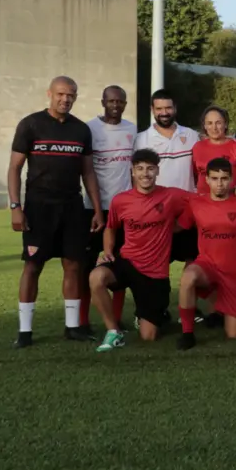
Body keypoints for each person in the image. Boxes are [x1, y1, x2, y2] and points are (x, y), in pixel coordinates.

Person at [8, 76, 104, 347]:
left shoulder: (81, 130)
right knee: (32, 266)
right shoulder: (30, 124)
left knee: (73, 265)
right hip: (38, 208)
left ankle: (72, 327)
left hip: (72, 207)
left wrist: (97, 209)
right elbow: (14, 168)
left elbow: (88, 172)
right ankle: (25, 332)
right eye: (61, 94)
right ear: (49, 94)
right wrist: (15, 207)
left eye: (71, 95)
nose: (65, 99)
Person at [88, 149, 189, 352]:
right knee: (96, 277)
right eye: (140, 168)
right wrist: (107, 251)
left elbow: (202, 201)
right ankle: (113, 331)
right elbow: (111, 227)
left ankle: (151, 315)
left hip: (155, 273)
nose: (145, 173)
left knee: (148, 336)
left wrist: (180, 225)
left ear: (157, 171)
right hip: (128, 261)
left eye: (150, 168)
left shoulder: (171, 195)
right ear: (132, 172)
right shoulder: (120, 200)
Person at [175, 157, 236, 349]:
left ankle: (225, 304)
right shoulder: (195, 203)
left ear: (232, 180)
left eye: (224, 178)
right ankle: (187, 333)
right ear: (207, 179)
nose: (219, 183)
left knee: (235, 334)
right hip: (207, 266)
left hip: (234, 274)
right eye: (215, 178)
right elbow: (177, 227)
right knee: (188, 277)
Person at [81, 85, 136, 336]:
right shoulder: (90, 129)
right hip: (93, 210)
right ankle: (82, 322)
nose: (116, 105)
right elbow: (86, 170)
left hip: (123, 210)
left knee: (120, 264)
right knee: (86, 266)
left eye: (120, 101)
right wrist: (95, 208)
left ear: (125, 104)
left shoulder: (132, 130)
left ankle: (116, 318)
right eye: (111, 101)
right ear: (103, 102)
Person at [134, 89, 200, 290]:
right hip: (157, 212)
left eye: (168, 108)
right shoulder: (142, 139)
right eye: (159, 108)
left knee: (193, 259)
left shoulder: (191, 135)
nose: (164, 112)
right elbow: (137, 177)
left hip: (188, 209)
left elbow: (201, 170)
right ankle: (156, 302)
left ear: (175, 108)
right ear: (152, 110)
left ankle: (187, 300)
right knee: (157, 262)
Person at [191, 105, 236, 198]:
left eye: (218, 123)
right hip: (203, 202)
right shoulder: (197, 147)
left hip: (230, 201)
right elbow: (195, 176)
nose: (214, 128)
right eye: (209, 123)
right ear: (204, 126)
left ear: (226, 124)